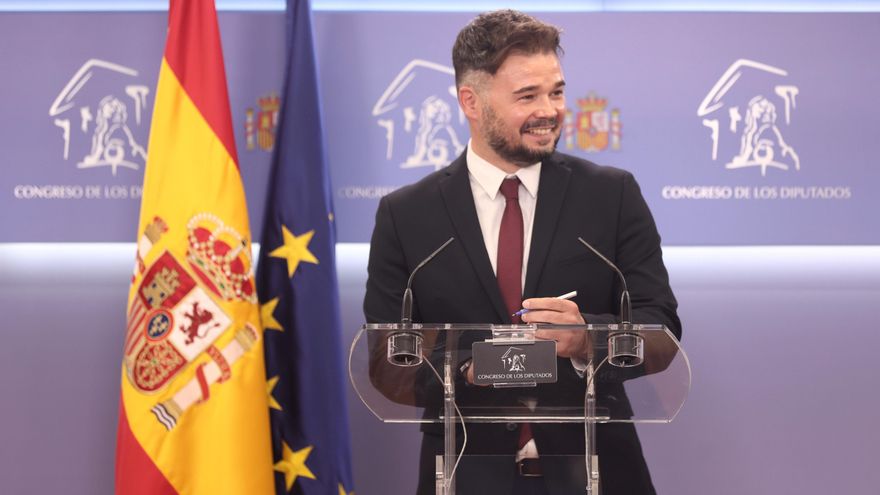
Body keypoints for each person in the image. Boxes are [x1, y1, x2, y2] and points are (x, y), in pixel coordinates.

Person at [364, 9, 680, 495]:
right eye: (527, 96)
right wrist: (466, 370)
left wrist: (586, 339)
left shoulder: (611, 196)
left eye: (556, 91)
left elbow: (661, 328)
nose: (549, 110)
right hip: (464, 476)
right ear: (472, 101)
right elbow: (388, 360)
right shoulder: (407, 215)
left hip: (597, 471)